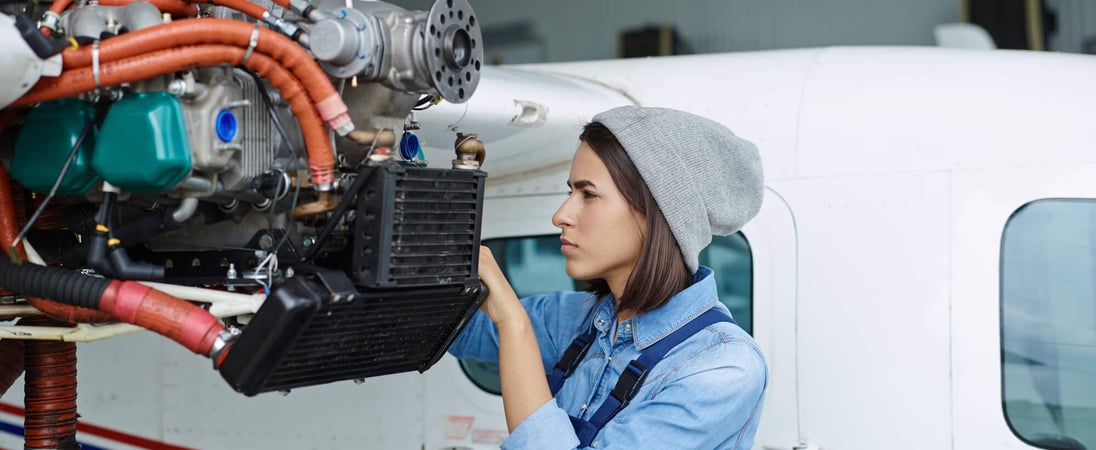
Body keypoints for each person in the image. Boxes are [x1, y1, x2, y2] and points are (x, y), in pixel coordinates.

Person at [449, 106, 768, 449]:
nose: (560, 216)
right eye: (570, 192)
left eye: (588, 195)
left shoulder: (723, 367)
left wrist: (514, 322)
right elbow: (458, 330)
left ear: (655, 213)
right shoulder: (581, 319)